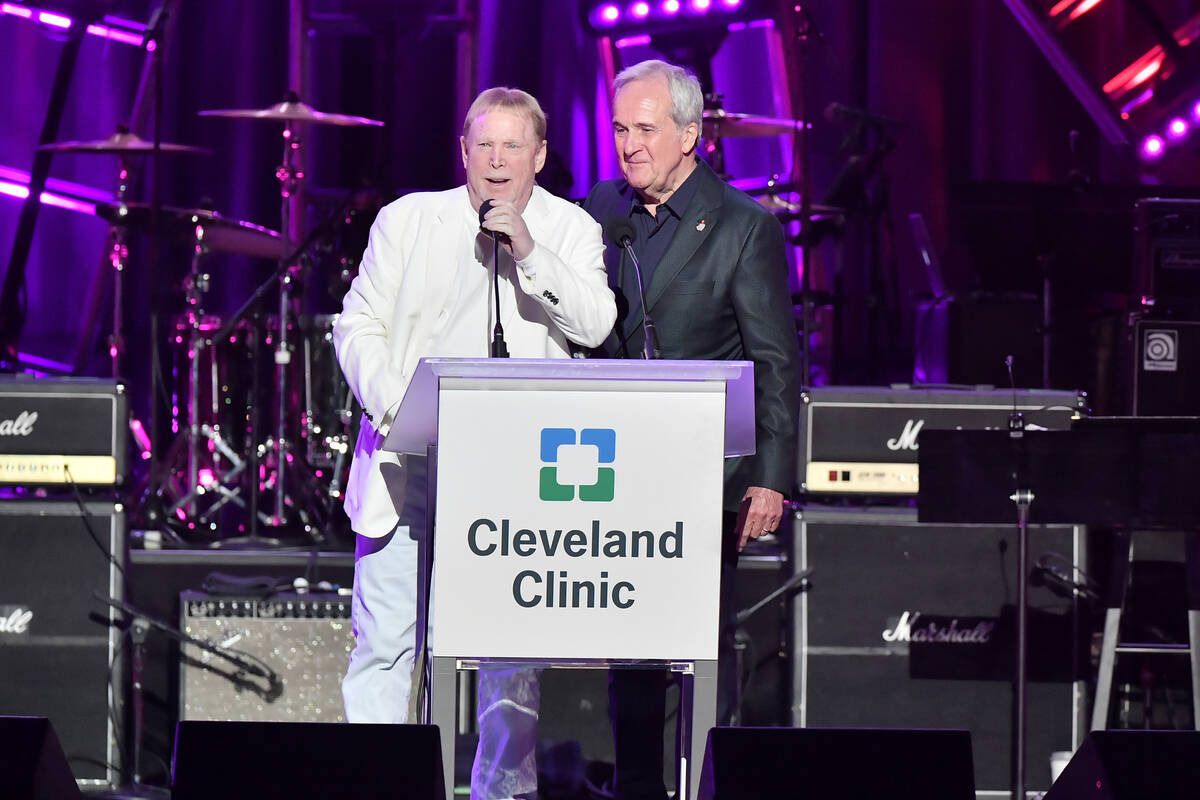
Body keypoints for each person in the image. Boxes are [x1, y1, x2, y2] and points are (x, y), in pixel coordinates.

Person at [334, 86, 617, 800]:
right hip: (410, 461)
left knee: (507, 657)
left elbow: (595, 324)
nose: (496, 162)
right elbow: (355, 326)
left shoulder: (571, 228)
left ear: (540, 156)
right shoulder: (407, 221)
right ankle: (375, 786)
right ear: (463, 152)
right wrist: (401, 404)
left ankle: (504, 795)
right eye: (483, 146)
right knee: (386, 645)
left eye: (512, 146)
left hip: (513, 476)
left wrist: (526, 248)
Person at [583, 59, 801, 800]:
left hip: (708, 476)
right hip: (613, 469)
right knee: (630, 655)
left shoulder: (744, 227)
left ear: (689, 134)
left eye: (645, 129)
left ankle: (705, 786)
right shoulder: (599, 212)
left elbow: (776, 361)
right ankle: (637, 786)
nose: (628, 144)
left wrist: (772, 475)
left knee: (697, 647)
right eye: (619, 128)